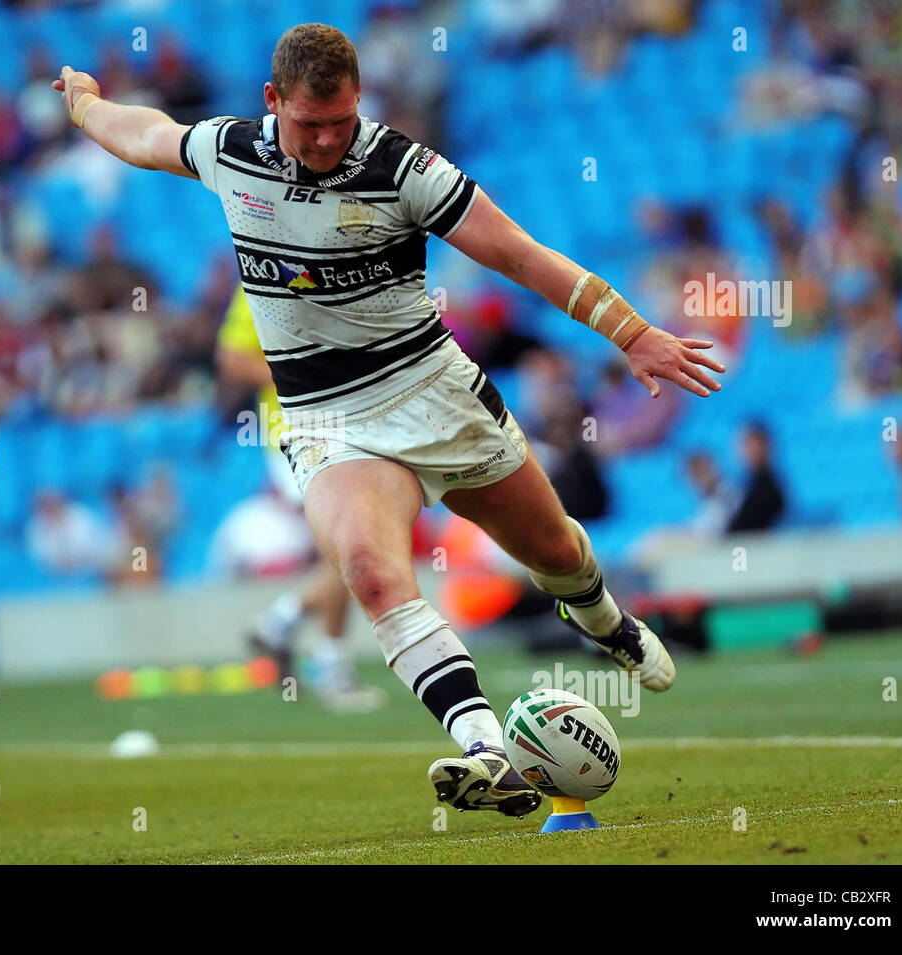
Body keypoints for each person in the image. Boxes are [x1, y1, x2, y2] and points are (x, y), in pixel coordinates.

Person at [54, 23, 724, 819]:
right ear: (273, 103)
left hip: (434, 395)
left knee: (559, 553)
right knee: (370, 572)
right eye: (311, 124)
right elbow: (145, 136)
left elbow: (518, 254)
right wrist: (88, 106)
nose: (331, 139)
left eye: (343, 119)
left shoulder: (404, 168)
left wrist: (632, 332)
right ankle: (486, 750)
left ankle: (605, 621)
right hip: (329, 420)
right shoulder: (229, 151)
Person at [217, 286, 385, 712]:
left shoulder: (338, 270)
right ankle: (325, 662)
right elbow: (233, 359)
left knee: (349, 547)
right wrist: (298, 372)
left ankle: (285, 625)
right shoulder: (260, 281)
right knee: (349, 546)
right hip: (294, 433)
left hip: (345, 426)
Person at [726, 421, 785, 533]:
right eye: (746, 445)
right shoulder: (746, 483)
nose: (749, 451)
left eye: (752, 445)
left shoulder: (768, 488)